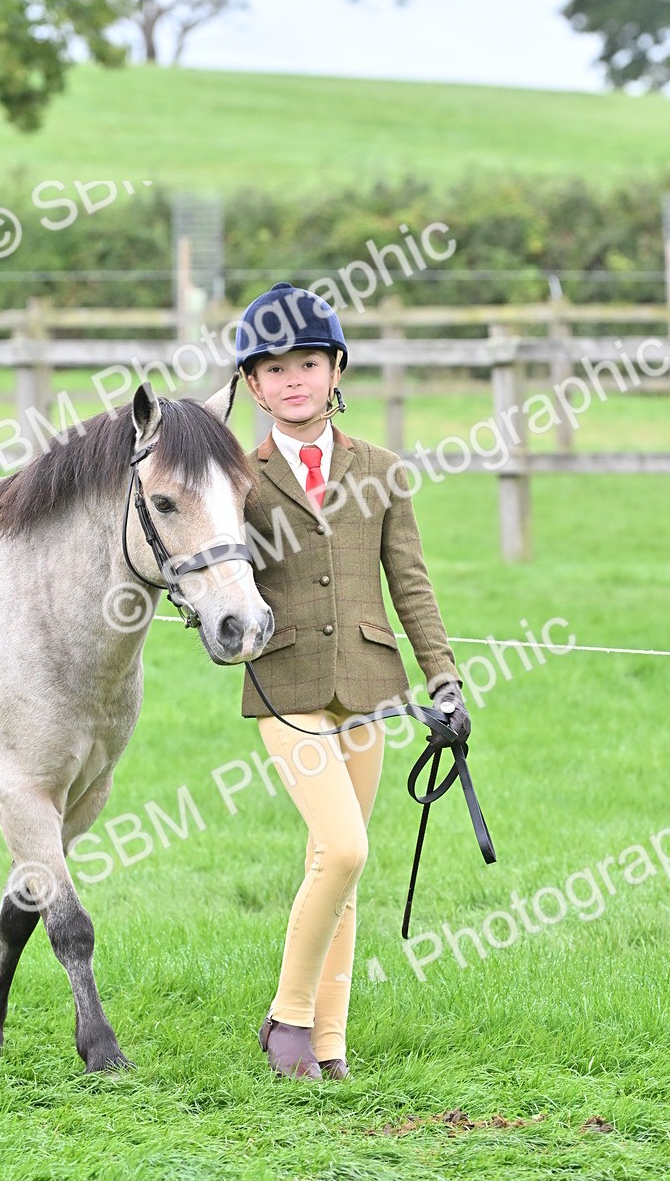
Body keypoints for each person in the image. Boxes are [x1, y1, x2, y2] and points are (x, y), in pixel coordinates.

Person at [235, 282, 470, 1082]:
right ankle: (288, 1020)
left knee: (337, 867)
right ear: (253, 386)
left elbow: (411, 584)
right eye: (273, 369)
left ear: (337, 370)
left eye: (308, 362)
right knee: (344, 848)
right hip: (283, 684)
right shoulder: (236, 476)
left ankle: (328, 1047)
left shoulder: (383, 469)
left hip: (368, 683)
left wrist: (445, 681)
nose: (292, 379)